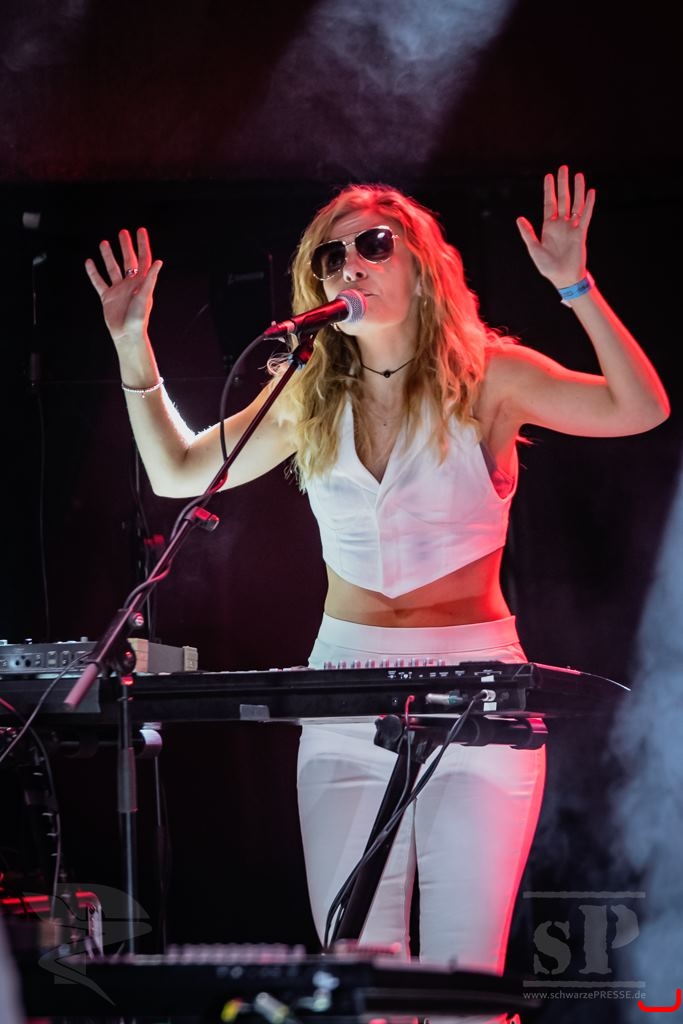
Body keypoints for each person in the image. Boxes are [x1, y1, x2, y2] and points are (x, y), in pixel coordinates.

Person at [85, 166, 669, 1023]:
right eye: (330, 256)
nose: (348, 264)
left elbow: (639, 407)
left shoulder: (490, 377)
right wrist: (131, 343)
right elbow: (178, 471)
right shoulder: (308, 398)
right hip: (343, 694)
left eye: (372, 244)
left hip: (476, 698)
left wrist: (573, 287)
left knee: (463, 984)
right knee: (357, 978)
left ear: (422, 268)